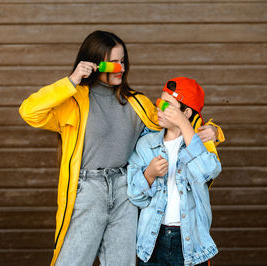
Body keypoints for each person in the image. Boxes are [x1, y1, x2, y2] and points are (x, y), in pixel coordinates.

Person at [19, 30, 223, 266]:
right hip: (88, 191)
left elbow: (179, 123)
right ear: (96, 64)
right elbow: (30, 112)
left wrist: (216, 132)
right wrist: (71, 81)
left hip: (126, 190)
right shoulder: (74, 102)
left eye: (123, 61)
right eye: (113, 62)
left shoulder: (137, 103)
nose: (121, 68)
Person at [127, 77, 222, 266]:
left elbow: (208, 171)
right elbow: (135, 196)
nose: (159, 110)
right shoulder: (146, 144)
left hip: (190, 241)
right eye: (159, 103)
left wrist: (185, 126)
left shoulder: (201, 144)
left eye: (168, 106)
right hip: (152, 240)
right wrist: (149, 175)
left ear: (186, 112)